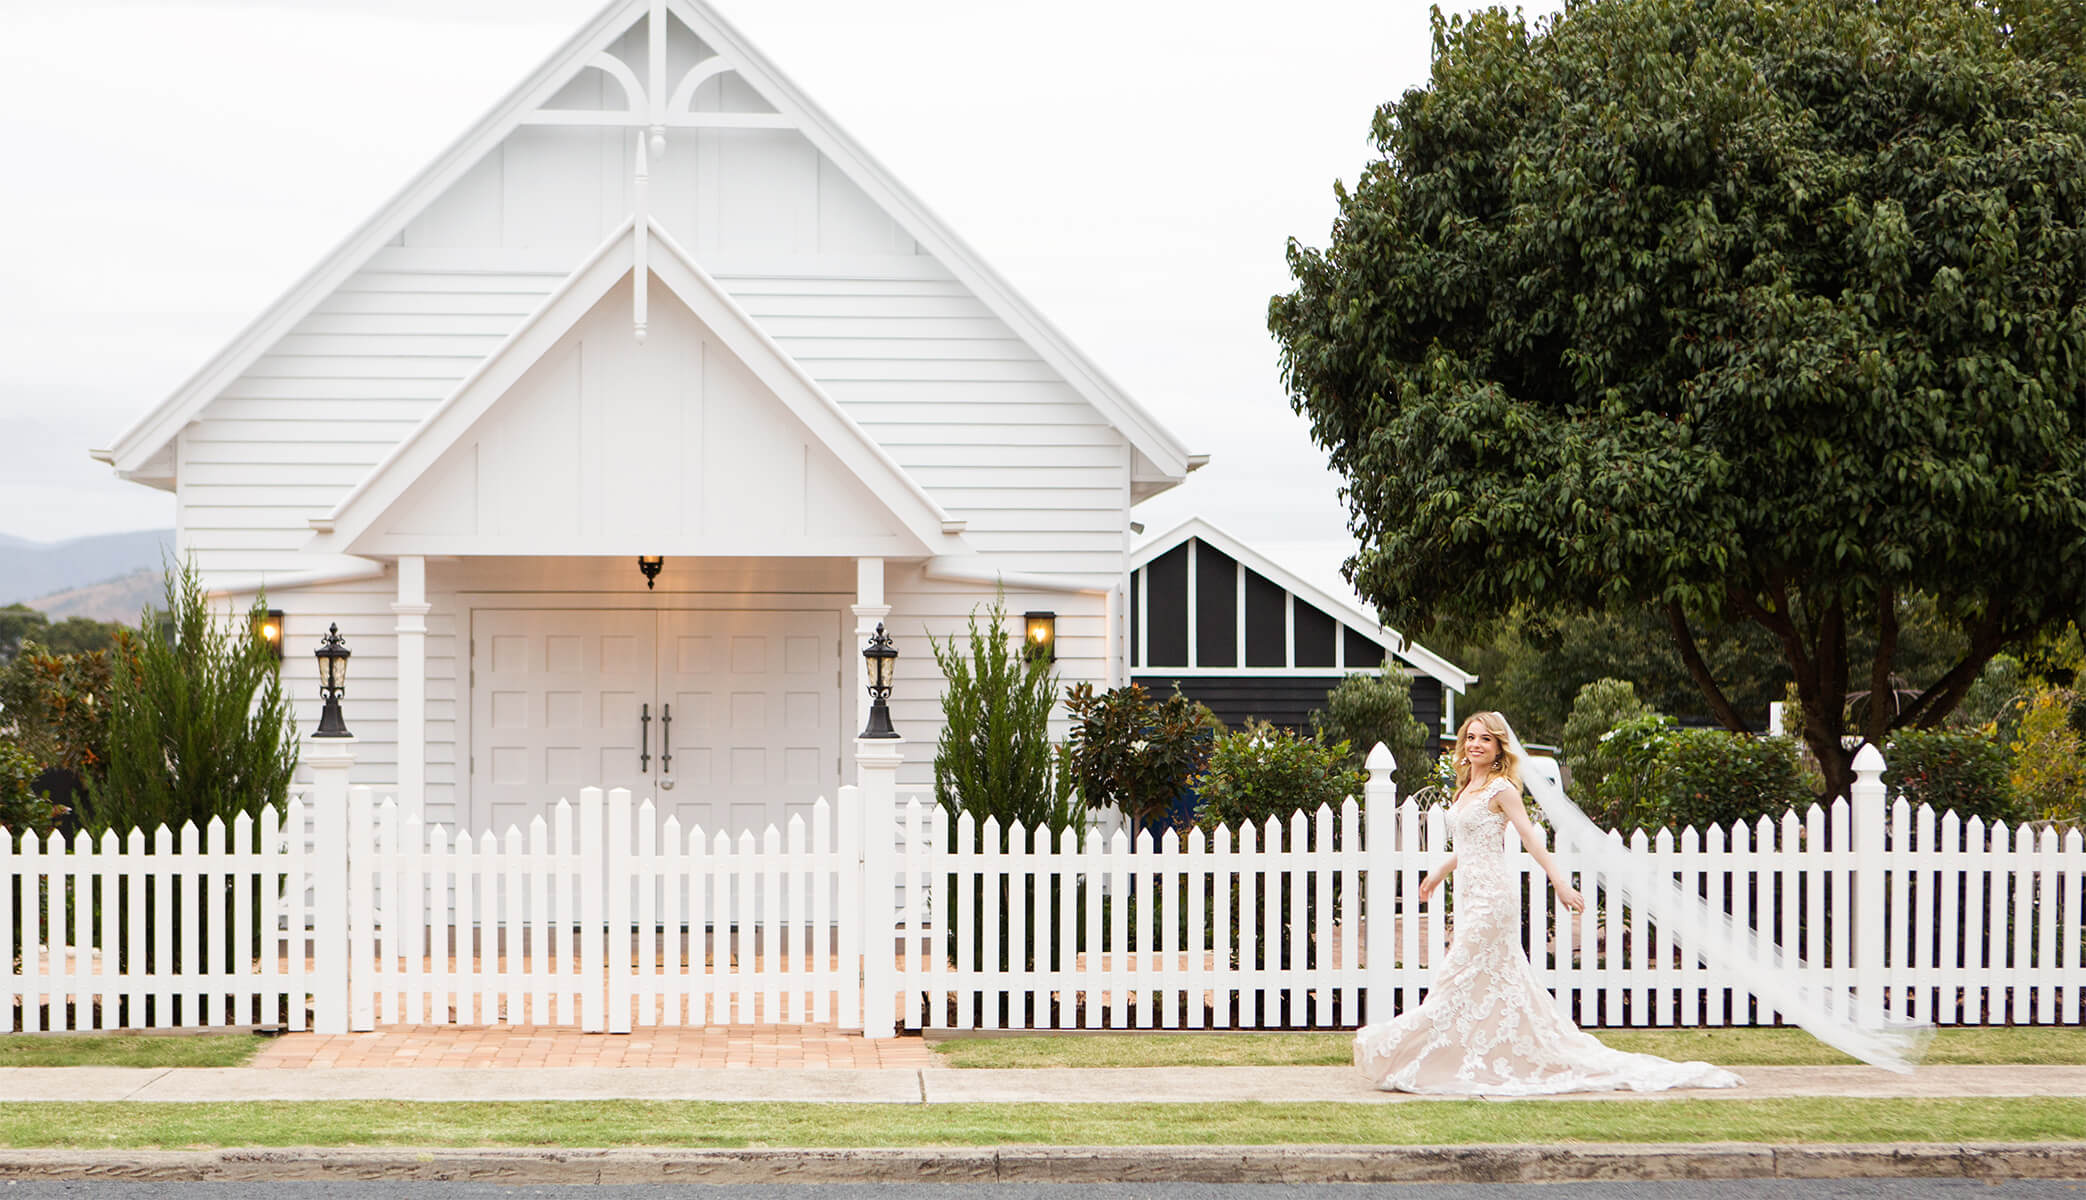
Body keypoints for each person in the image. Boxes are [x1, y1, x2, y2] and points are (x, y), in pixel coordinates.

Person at [1353, 711, 1742, 1095]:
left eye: (1485, 739)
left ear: (1498, 746)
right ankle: (1465, 1057)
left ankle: (1402, 1053)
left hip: (1492, 898)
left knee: (1454, 976)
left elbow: (1529, 837)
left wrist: (1560, 882)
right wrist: (1439, 872)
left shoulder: (1502, 789)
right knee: (1488, 981)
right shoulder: (1466, 788)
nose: (1475, 745)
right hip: (1470, 895)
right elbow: (1472, 844)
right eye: (1470, 737)